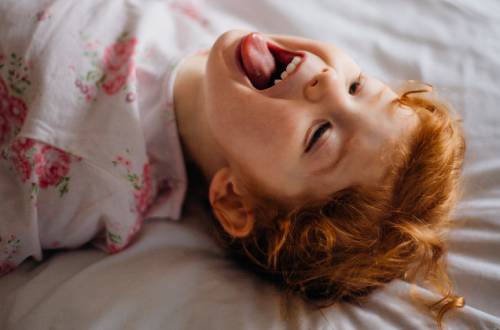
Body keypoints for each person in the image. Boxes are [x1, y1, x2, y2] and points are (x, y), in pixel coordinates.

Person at [0, 0, 465, 328]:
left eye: (320, 134)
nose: (328, 79)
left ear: (235, 201)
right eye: (358, 86)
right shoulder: (210, 38)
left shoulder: (77, 174)